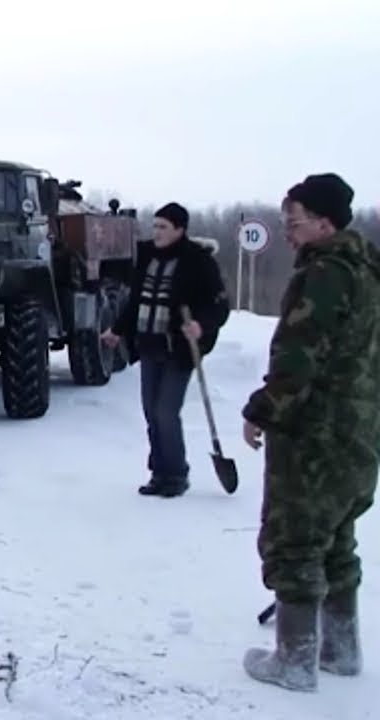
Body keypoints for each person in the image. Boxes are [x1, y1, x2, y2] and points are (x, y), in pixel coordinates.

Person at [240, 173, 380, 692]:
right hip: (360, 432)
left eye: (294, 221)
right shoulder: (368, 272)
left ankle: (293, 663)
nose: (288, 231)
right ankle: (341, 651)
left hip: (314, 435)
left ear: (324, 221)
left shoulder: (325, 275)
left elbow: (299, 360)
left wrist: (263, 411)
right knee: (338, 538)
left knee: (295, 539)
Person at [101, 202, 229, 498]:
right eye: (155, 226)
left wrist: (201, 325)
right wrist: (117, 330)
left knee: (165, 412)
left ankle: (176, 474)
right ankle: (159, 472)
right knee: (150, 412)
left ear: (180, 230)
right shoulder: (146, 256)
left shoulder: (198, 261)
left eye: (163, 227)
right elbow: (136, 302)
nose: (156, 232)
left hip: (179, 350)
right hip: (149, 345)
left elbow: (219, 306)